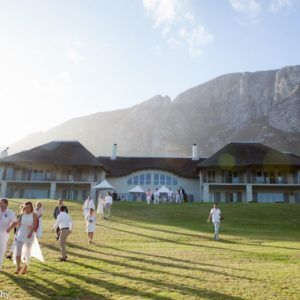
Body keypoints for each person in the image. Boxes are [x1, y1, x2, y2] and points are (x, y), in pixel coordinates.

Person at [14, 201, 44, 274]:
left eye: (29, 207)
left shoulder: (34, 215)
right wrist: (16, 234)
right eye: (26, 207)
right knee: (18, 250)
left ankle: (25, 267)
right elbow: (17, 226)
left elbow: (35, 225)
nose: (27, 208)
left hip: (29, 234)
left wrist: (30, 233)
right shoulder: (21, 215)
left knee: (27, 251)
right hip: (21, 233)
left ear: (31, 207)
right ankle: (18, 267)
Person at [0, 198, 16, 271]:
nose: (0, 205)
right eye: (0, 203)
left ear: (6, 204)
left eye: (2, 203)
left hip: (3, 234)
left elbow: (15, 222)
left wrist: (10, 228)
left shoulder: (10, 212)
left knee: (1, 250)